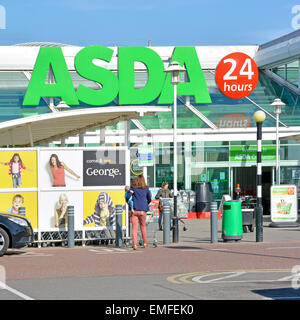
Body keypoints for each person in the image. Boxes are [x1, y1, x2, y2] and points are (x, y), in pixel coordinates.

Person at [126, 174, 151, 250]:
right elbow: (149, 198)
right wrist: (146, 203)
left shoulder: (133, 188)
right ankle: (145, 243)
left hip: (135, 210)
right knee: (143, 226)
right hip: (143, 210)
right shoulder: (146, 189)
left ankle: (135, 244)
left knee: (134, 228)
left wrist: (131, 193)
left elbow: (127, 197)